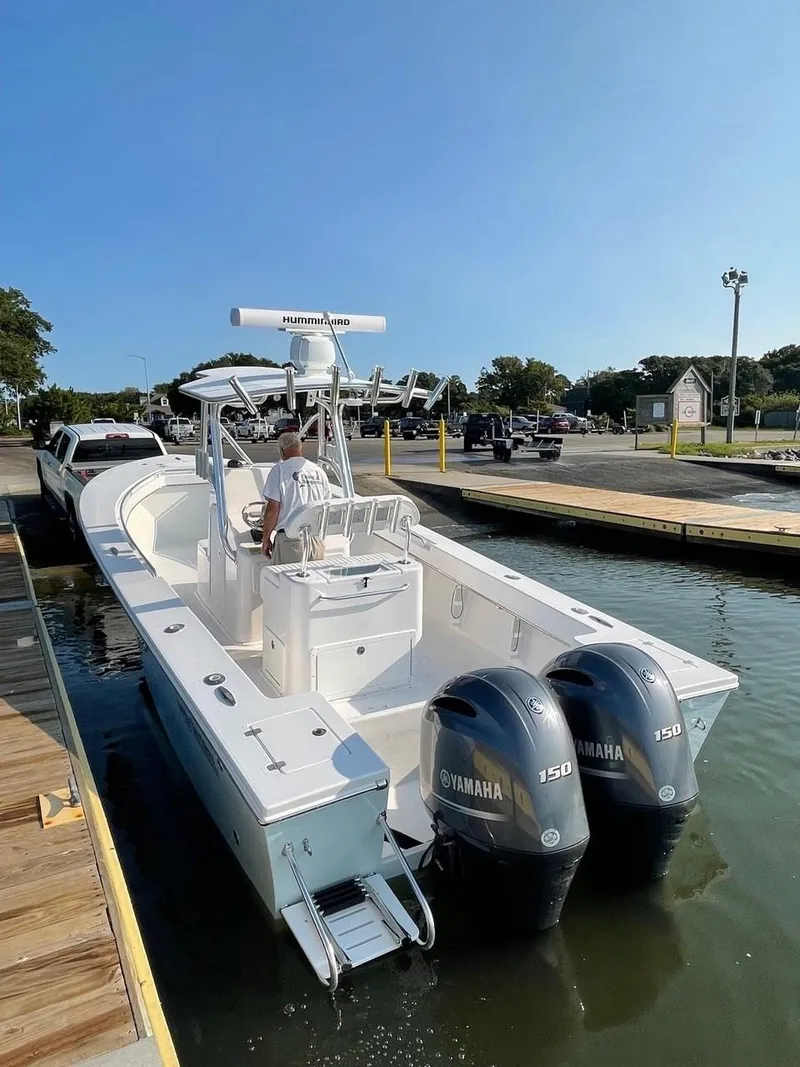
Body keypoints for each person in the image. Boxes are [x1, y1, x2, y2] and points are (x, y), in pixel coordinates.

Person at [260, 432, 331, 563]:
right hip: (316, 539)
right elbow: (326, 505)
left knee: (286, 582)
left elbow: (273, 509)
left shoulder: (279, 471)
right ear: (300, 448)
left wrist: (265, 538)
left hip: (290, 540)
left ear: (281, 451)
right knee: (313, 581)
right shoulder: (319, 472)